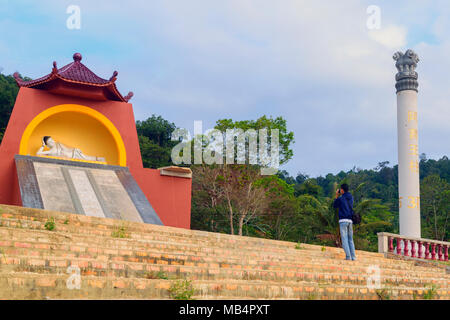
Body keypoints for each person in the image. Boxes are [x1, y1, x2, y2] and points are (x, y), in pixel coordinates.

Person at [37, 136, 106, 162]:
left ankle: (100, 159)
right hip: (70, 158)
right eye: (49, 142)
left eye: (52, 140)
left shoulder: (58, 144)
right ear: (47, 145)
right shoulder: (50, 152)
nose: (52, 142)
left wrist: (75, 149)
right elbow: (38, 154)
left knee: (87, 158)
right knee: (87, 159)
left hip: (73, 153)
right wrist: (42, 146)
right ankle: (100, 159)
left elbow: (67, 148)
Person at [333, 183, 356, 261]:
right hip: (350, 221)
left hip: (343, 220)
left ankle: (348, 257)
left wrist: (336, 196)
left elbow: (334, 205)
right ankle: (353, 257)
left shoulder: (341, 198)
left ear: (342, 190)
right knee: (350, 239)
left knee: (344, 239)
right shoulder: (351, 197)